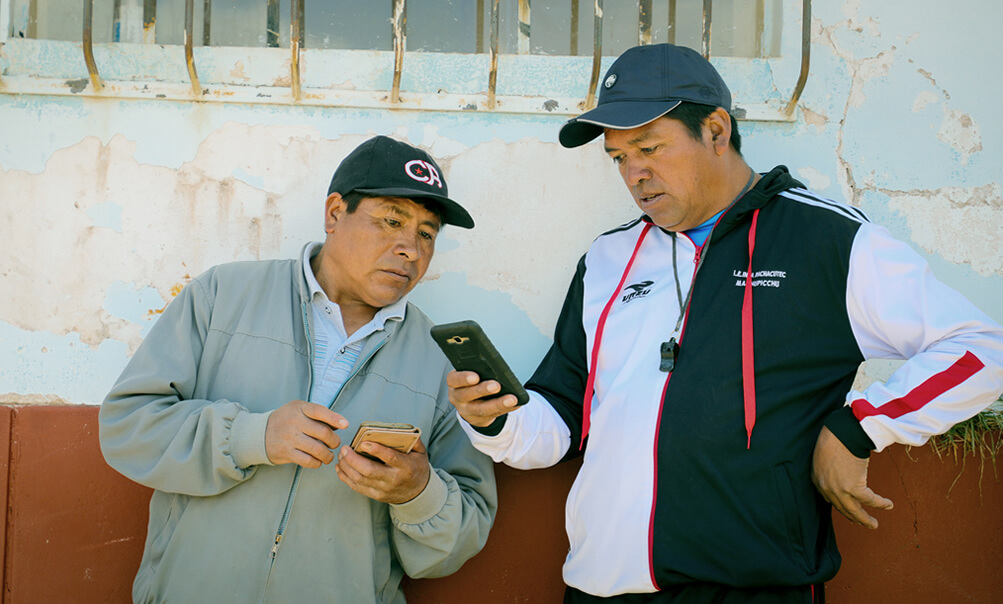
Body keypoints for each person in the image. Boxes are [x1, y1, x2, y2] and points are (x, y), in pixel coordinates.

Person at [447, 43, 1003, 603]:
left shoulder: (826, 240)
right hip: (603, 589)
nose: (634, 174)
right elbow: (562, 421)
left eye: (649, 148)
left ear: (715, 130)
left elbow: (983, 350)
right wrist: (495, 418)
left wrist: (859, 426)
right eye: (618, 158)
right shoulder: (606, 260)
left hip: (757, 589)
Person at [99, 135, 497, 603]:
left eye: (427, 234)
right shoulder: (223, 295)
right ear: (334, 214)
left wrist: (417, 493)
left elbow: (458, 542)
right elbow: (127, 427)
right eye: (392, 220)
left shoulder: (443, 364)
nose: (410, 248)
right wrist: (252, 436)